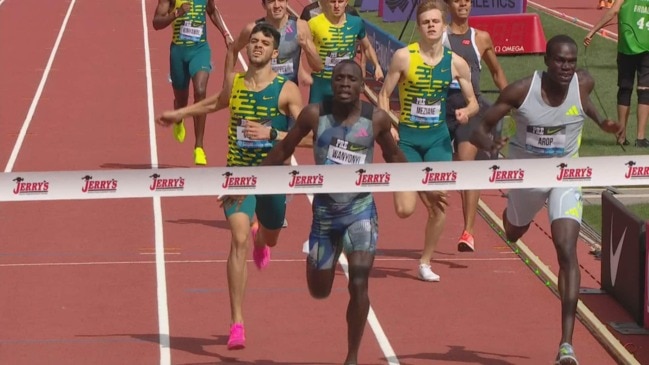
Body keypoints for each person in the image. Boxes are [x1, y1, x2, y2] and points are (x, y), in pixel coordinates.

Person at [156, 23, 310, 350]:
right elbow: (214, 104)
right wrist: (179, 114)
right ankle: (237, 322)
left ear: (274, 51)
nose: (257, 46)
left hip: (272, 176)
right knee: (237, 237)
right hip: (236, 175)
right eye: (253, 41)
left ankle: (262, 240)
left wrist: (272, 135)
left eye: (264, 43)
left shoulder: (287, 91)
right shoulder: (236, 82)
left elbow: (310, 137)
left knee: (270, 235)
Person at [472, 34, 622, 365]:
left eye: (571, 61)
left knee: (566, 249)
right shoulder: (521, 91)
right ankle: (513, 218)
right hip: (526, 176)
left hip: (566, 175)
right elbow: (480, 127)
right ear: (546, 60)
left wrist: (603, 122)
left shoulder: (583, 82)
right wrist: (489, 145)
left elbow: (586, 105)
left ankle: (566, 345)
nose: (566, 67)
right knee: (513, 233)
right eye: (559, 60)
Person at [260, 59, 407, 365]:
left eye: (351, 80)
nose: (344, 84)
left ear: (360, 85)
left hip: (361, 212)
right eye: (339, 78)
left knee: (358, 282)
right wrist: (250, 183)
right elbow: (283, 150)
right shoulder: (315, 114)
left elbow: (395, 156)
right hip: (325, 216)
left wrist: (427, 186)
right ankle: (321, 259)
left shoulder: (376, 119)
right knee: (319, 290)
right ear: (332, 81)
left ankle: (351, 357)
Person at [377, 0, 478, 282]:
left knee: (439, 204)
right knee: (405, 209)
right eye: (426, 22)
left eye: (436, 21)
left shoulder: (456, 62)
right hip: (407, 139)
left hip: (438, 140)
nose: (431, 25)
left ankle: (425, 262)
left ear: (444, 26)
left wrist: (466, 112)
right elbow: (384, 95)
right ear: (420, 27)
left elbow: (474, 103)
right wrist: (388, 126)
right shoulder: (403, 57)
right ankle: (420, 186)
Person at [441, 0, 508, 252]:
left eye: (467, 1)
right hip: (442, 108)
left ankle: (468, 231)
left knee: (467, 164)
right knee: (435, 170)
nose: (463, 5)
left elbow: (497, 71)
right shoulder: (439, 36)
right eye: (458, 1)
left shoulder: (481, 38)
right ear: (449, 4)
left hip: (472, 108)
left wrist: (512, 101)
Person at [152, 0, 232, 165]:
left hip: (200, 49)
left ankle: (199, 146)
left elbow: (212, 11)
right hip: (179, 52)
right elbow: (156, 23)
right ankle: (179, 118)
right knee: (181, 99)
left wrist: (225, 34)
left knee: (200, 90)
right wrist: (176, 14)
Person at [585, 0, 649, 147]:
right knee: (645, 91)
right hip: (646, 47)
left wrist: (593, 31)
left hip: (626, 47)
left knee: (625, 89)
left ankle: (621, 136)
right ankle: (640, 138)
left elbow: (613, 11)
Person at [225, 0, 323, 87]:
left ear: (286, 3)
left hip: (288, 95)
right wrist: (227, 83)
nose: (277, 5)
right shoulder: (253, 29)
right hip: (260, 93)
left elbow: (317, 66)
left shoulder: (300, 27)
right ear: (264, 5)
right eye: (271, 1)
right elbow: (232, 50)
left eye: (281, 0)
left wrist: (306, 46)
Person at [307, 0, 383, 103]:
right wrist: (303, 72)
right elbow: (303, 50)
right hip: (321, 83)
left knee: (348, 118)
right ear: (326, 3)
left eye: (341, 1)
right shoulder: (313, 23)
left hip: (346, 84)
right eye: (333, 2)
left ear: (346, 2)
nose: (337, 6)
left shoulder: (356, 23)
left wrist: (377, 65)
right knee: (315, 118)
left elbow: (367, 46)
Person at [299, 0, 368, 81]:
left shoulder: (350, 11)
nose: (336, 5)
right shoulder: (309, 11)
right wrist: (301, 70)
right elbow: (300, 44)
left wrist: (363, 65)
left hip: (346, 74)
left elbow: (363, 38)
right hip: (322, 75)